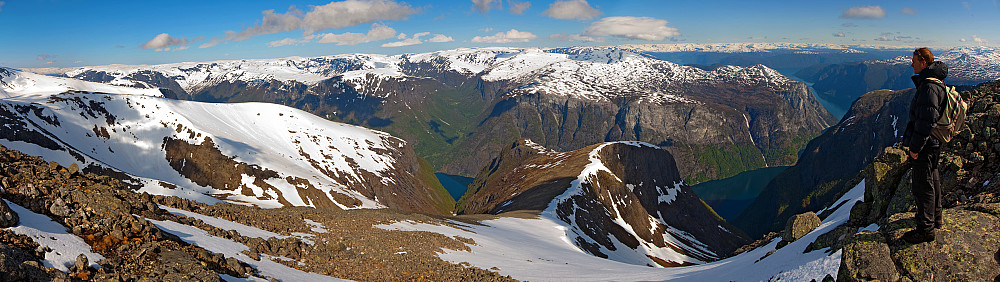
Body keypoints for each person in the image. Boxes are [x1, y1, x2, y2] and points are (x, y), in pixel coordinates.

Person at [900, 47, 947, 244]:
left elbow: (926, 121)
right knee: (932, 177)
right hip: (934, 143)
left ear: (924, 63)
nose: (911, 64)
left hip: (925, 145)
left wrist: (915, 147)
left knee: (922, 185)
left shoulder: (928, 87)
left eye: (914, 61)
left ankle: (925, 229)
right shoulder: (937, 83)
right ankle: (935, 217)